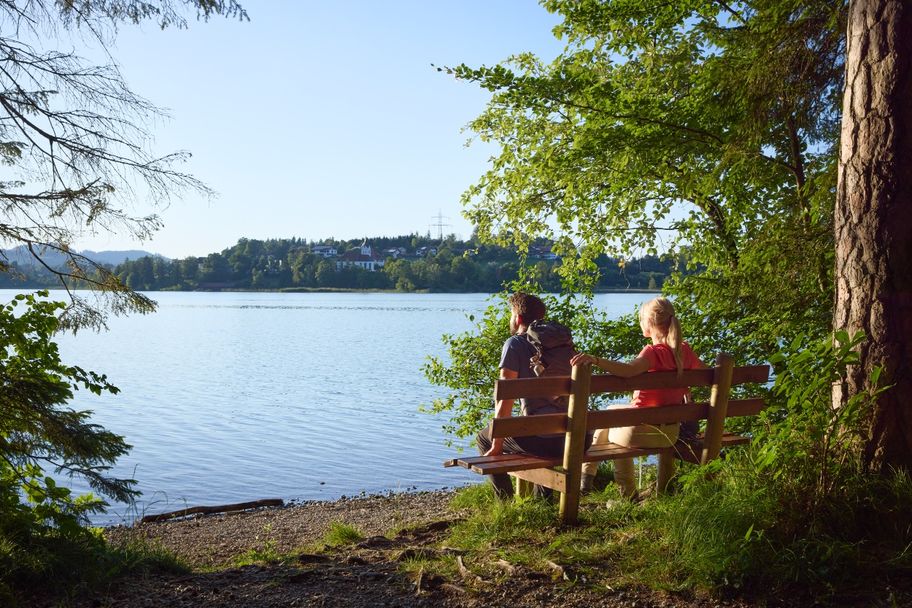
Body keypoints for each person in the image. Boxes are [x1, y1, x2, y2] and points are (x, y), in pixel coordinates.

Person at [571, 296, 704, 498]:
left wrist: (595, 360)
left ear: (649, 324)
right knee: (613, 417)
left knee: (608, 419)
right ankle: (648, 492)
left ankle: (599, 484)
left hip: (643, 432)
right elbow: (706, 373)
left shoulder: (652, 352)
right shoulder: (685, 350)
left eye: (641, 319)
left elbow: (628, 370)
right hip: (671, 433)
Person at [476, 292, 591, 499]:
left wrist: (497, 444)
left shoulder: (514, 344)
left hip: (542, 442)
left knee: (485, 437)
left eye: (511, 315)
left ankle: (504, 503)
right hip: (578, 439)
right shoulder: (564, 344)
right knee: (541, 427)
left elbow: (505, 398)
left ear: (518, 318)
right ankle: (542, 502)